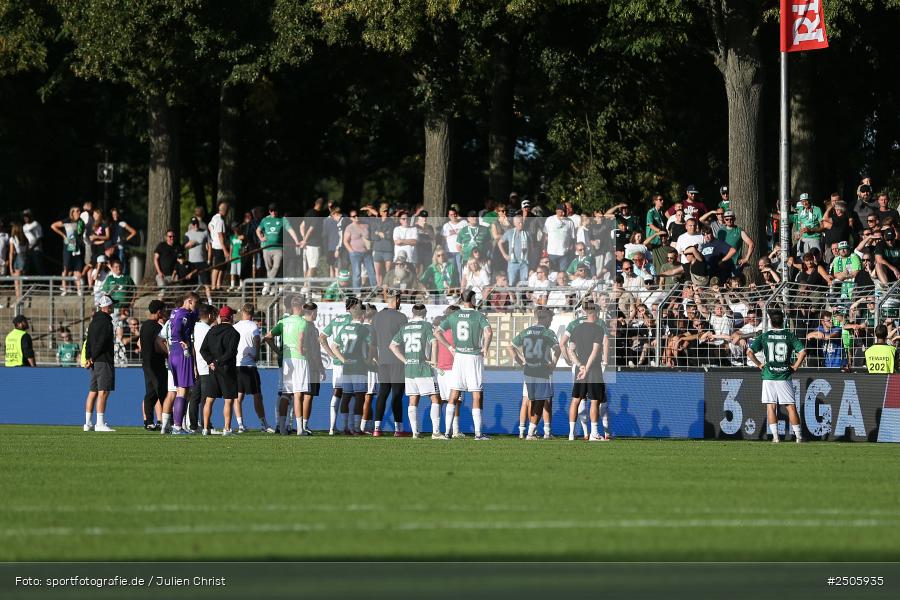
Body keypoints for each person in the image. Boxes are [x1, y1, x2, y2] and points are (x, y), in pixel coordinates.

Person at [436, 289, 493, 440]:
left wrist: (449, 347)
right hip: (473, 357)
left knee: (453, 394)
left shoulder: (454, 315)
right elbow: (488, 332)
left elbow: (437, 332)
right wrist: (485, 348)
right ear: (473, 299)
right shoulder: (478, 316)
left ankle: (447, 432)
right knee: (476, 394)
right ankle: (478, 434)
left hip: (459, 357)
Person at [746, 309, 807, 443]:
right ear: (783, 320)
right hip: (784, 375)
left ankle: (775, 437)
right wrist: (795, 366)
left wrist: (759, 364)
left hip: (769, 375)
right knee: (790, 407)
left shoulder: (765, 336)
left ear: (770, 321)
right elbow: (803, 352)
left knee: (771, 406)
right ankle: (799, 437)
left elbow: (749, 352)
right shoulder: (789, 336)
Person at [390, 303, 446, 439]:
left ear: (412, 313)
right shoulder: (426, 326)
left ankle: (415, 432)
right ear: (425, 313)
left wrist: (405, 361)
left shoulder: (405, 327)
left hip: (410, 368)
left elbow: (392, 346)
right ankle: (436, 432)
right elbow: (434, 342)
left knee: (413, 399)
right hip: (423, 367)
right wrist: (434, 360)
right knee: (435, 398)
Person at [509, 308, 560, 440]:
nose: (551, 322)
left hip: (528, 370)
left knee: (531, 400)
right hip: (542, 370)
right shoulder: (547, 332)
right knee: (541, 401)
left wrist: (521, 362)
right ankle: (531, 433)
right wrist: (553, 364)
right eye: (550, 319)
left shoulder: (526, 331)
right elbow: (558, 349)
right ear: (545, 318)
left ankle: (530, 432)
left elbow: (511, 346)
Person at [265, 297, 309, 436]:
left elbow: (267, 337)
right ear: (301, 307)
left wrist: (278, 352)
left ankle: (282, 428)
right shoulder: (303, 322)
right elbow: (301, 340)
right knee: (298, 394)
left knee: (285, 394)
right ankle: (300, 429)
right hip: (299, 359)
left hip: (285, 360)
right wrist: (304, 351)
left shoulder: (283, 322)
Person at [567, 301, 610, 441]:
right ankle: (594, 434)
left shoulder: (576, 328)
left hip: (580, 369)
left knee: (575, 400)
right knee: (595, 400)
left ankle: (571, 434)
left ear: (585, 312)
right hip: (593, 369)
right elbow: (595, 351)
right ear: (596, 312)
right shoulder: (598, 329)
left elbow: (570, 350)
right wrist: (586, 368)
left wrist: (580, 365)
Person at [371, 290, 409, 437]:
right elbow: (406, 339)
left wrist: (376, 358)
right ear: (397, 300)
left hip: (383, 361)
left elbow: (373, 342)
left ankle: (376, 428)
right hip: (398, 361)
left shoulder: (377, 317)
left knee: (382, 393)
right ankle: (398, 429)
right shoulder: (401, 317)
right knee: (397, 395)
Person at [161, 291, 200, 435]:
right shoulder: (183, 315)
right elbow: (177, 329)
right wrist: (182, 341)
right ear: (189, 301)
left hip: (173, 353)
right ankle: (177, 426)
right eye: (195, 303)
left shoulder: (176, 312)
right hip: (182, 353)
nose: (196, 306)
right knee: (182, 391)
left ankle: (178, 425)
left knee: (179, 390)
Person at [330, 303, 371, 435]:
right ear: (362, 315)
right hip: (359, 366)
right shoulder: (364, 329)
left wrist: (344, 360)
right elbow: (372, 346)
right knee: (360, 396)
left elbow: (334, 346)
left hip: (347, 367)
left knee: (346, 396)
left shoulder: (344, 328)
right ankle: (357, 428)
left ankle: (346, 427)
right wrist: (369, 360)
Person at [200, 306, 241, 436]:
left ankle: (205, 428)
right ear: (230, 317)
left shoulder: (212, 330)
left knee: (209, 399)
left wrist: (211, 362)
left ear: (220, 317)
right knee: (228, 400)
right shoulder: (234, 333)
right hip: (227, 370)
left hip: (213, 369)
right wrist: (217, 362)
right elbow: (231, 352)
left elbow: (203, 349)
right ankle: (226, 429)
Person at [233, 303, 274, 433]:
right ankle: (263, 424)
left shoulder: (235, 326)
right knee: (257, 395)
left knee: (238, 396)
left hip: (237, 365)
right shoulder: (253, 326)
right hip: (249, 365)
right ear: (252, 313)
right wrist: (256, 354)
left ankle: (240, 425)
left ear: (242, 312)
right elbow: (257, 339)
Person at [320, 297, 356, 435]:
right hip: (349, 361)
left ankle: (332, 427)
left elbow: (322, 337)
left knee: (337, 392)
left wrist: (332, 354)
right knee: (351, 394)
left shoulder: (336, 320)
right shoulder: (353, 320)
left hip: (337, 363)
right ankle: (348, 426)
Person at [83, 295, 117, 432]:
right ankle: (100, 423)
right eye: (112, 305)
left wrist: (89, 357)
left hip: (94, 361)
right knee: (103, 391)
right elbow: (102, 342)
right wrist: (93, 356)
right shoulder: (106, 322)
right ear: (108, 306)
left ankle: (87, 423)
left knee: (93, 391)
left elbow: (88, 341)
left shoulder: (93, 321)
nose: (114, 307)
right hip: (103, 360)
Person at [257, 203, 300, 295]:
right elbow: (258, 230)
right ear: (269, 211)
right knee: (269, 269)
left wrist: (296, 241)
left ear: (277, 211)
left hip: (278, 248)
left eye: (275, 210)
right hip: (266, 247)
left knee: (276, 267)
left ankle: (267, 283)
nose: (273, 212)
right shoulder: (265, 220)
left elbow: (290, 230)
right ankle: (273, 288)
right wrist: (261, 238)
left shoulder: (282, 219)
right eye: (271, 211)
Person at [139, 300, 169, 430]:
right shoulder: (157, 327)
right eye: (164, 310)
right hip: (156, 364)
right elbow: (159, 344)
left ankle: (149, 422)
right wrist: (168, 353)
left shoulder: (144, 325)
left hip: (146, 363)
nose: (165, 312)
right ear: (159, 311)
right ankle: (168, 421)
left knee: (152, 393)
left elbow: (140, 344)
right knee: (162, 392)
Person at [51, 206, 86, 296]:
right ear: (72, 213)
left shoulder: (81, 222)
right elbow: (53, 226)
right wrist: (63, 235)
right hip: (69, 244)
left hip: (77, 246)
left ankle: (79, 290)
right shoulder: (67, 221)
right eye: (77, 211)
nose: (79, 212)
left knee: (78, 268)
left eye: (79, 211)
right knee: (66, 267)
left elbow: (81, 234)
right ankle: (64, 289)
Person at [299, 197, 328, 281]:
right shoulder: (317, 215)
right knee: (313, 267)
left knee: (309, 266)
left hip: (308, 245)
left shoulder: (309, 212)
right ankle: (306, 286)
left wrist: (304, 238)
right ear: (321, 205)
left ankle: (306, 286)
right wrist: (305, 240)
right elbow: (311, 229)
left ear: (315, 203)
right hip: (314, 244)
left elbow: (301, 226)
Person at [183, 217, 212, 300]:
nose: (195, 225)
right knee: (192, 284)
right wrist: (190, 244)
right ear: (191, 225)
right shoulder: (187, 234)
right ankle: (190, 301)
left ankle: (210, 301)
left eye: (196, 223)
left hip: (202, 261)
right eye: (193, 224)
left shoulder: (205, 232)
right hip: (192, 262)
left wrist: (209, 259)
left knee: (206, 283)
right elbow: (184, 246)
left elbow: (209, 246)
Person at [543, 204, 575, 271]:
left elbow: (573, 237)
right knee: (552, 272)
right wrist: (544, 249)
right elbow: (545, 235)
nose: (563, 213)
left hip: (564, 254)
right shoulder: (549, 220)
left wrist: (569, 250)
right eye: (561, 211)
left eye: (564, 211)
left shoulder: (570, 222)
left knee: (563, 273)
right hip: (551, 253)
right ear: (556, 211)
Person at [208, 201, 229, 291]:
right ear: (225, 210)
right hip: (219, 246)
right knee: (217, 267)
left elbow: (209, 226)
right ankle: (214, 286)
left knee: (222, 267)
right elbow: (220, 236)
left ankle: (218, 285)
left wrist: (213, 235)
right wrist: (225, 251)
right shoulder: (220, 220)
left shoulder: (214, 218)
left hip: (215, 245)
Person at [21, 209, 45, 275]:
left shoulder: (36, 224)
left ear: (30, 216)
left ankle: (44, 281)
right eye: (24, 216)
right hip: (28, 250)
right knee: (26, 268)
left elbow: (39, 238)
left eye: (27, 216)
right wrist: (26, 248)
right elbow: (26, 239)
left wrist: (32, 247)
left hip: (36, 249)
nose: (25, 218)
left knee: (39, 267)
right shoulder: (24, 227)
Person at [8, 222, 27, 297]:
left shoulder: (12, 239)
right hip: (25, 258)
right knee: (21, 281)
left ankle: (18, 299)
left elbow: (11, 253)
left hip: (18, 258)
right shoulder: (25, 238)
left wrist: (10, 266)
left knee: (17, 281)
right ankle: (20, 298)